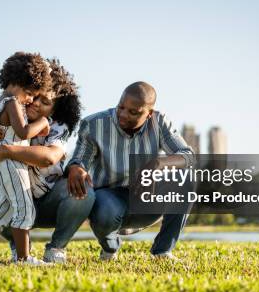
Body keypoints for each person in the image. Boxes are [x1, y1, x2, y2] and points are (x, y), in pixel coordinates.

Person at [67, 81, 195, 261]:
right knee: (106, 211)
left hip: (146, 199)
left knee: (185, 179)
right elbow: (79, 160)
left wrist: (157, 163)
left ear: (149, 114)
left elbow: (188, 156)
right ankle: (110, 249)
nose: (124, 115)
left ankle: (162, 252)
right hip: (109, 199)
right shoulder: (93, 124)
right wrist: (75, 168)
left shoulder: (160, 122)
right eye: (121, 107)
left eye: (133, 112)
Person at [0, 59, 92, 263]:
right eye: (35, 95)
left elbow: (49, 157)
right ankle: (18, 249)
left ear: (55, 109)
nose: (36, 103)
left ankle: (56, 248)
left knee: (84, 194)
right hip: (17, 195)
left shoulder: (58, 127)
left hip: (48, 199)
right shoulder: (9, 116)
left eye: (46, 102)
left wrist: (6, 151)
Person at [0, 52, 52, 266]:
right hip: (11, 164)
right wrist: (43, 122)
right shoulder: (12, 103)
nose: (30, 100)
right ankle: (23, 258)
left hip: (1, 164)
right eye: (29, 93)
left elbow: (0, 132)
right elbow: (24, 132)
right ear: (16, 82)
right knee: (25, 207)